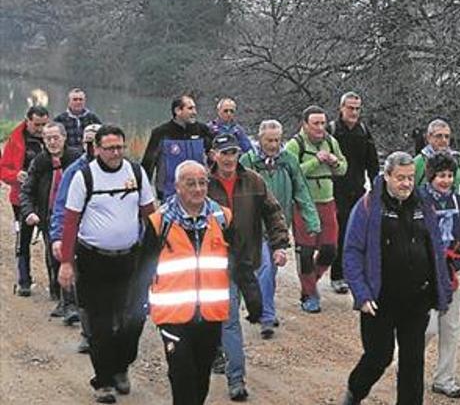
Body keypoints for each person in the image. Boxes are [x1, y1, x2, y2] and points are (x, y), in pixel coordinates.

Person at [129, 160, 263, 405]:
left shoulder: (222, 219)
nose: (198, 189)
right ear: (177, 186)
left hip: (210, 316)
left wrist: (253, 296)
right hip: (173, 316)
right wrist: (135, 308)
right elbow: (142, 269)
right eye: (191, 183)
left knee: (202, 376)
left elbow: (239, 261)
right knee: (182, 375)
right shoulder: (160, 223)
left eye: (202, 183)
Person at [341, 151, 452, 405]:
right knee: (379, 356)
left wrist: (441, 288)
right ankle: (354, 392)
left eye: (411, 178)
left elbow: (434, 246)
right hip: (380, 299)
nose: (406, 184)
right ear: (387, 176)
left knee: (413, 361)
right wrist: (362, 293)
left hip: (416, 298)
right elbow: (352, 252)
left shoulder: (423, 204)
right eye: (400, 178)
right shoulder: (368, 205)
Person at [58, 125, 156, 403]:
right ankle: (104, 382)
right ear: (97, 149)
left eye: (120, 147)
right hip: (93, 261)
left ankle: (121, 367)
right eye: (110, 148)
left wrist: (158, 254)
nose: (115, 153)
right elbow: (70, 223)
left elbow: (151, 216)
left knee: (134, 320)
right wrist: (66, 262)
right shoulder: (84, 177)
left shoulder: (136, 174)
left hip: (130, 260)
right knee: (100, 326)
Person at [207, 133, 289, 401]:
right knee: (229, 320)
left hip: (249, 260)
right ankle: (236, 379)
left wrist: (279, 245)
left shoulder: (253, 180)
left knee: (235, 316)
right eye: (224, 153)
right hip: (217, 265)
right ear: (213, 155)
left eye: (233, 152)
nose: (229, 158)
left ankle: (220, 352)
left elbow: (273, 212)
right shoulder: (203, 184)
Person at [240, 119, 320, 339]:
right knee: (265, 267)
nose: (274, 145)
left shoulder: (288, 161)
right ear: (260, 139)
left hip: (278, 225)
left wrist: (312, 221)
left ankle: (261, 307)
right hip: (254, 227)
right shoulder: (248, 161)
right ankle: (266, 317)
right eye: (269, 140)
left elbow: (301, 191)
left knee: (271, 270)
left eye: (277, 140)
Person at [419, 152, 460, 399]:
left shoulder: (458, 200)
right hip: (427, 269)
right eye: (441, 175)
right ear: (431, 176)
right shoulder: (418, 199)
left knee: (451, 327)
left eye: (450, 175)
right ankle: (408, 366)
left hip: (454, 267)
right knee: (428, 327)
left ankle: (445, 379)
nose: (446, 180)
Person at [284, 105, 348, 313]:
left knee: (330, 250)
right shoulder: (295, 145)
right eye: (316, 124)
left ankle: (310, 282)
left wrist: (334, 161)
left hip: (327, 201)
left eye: (323, 123)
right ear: (305, 125)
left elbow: (343, 168)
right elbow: (289, 172)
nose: (321, 128)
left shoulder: (331, 141)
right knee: (306, 252)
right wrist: (314, 161)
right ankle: (309, 295)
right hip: (304, 204)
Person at [20, 121, 79, 318]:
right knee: (55, 258)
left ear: (64, 138)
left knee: (76, 258)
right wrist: (29, 212)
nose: (52, 142)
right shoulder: (39, 162)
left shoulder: (76, 159)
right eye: (48, 138)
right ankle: (61, 296)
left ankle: (71, 302)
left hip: (76, 217)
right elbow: (26, 191)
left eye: (56, 138)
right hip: (49, 218)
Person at [50, 123, 101, 350]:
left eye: (95, 141)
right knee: (87, 288)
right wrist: (58, 238)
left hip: (115, 243)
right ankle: (89, 333)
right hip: (83, 239)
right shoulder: (75, 172)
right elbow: (60, 208)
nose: (91, 146)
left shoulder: (126, 170)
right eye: (87, 141)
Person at [328, 91, 379, 294]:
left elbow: (373, 164)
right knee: (337, 235)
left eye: (358, 109)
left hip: (357, 190)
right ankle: (337, 275)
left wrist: (377, 190)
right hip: (333, 191)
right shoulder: (331, 130)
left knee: (357, 234)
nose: (354, 112)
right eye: (350, 108)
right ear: (341, 108)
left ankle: (354, 275)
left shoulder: (364, 132)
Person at [0, 104, 50, 296]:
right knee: (23, 239)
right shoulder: (16, 139)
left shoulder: (54, 139)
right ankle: (24, 281)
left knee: (52, 239)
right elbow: (3, 170)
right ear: (28, 120)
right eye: (37, 124)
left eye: (44, 124)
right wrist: (16, 175)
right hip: (21, 198)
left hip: (48, 199)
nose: (40, 129)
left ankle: (56, 286)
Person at [413, 119, 460, 230]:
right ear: (429, 138)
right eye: (439, 136)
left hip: (453, 213)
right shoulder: (419, 162)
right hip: (425, 217)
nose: (443, 140)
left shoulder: (459, 160)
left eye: (447, 136)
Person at [142, 94, 214, 202]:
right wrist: (144, 197)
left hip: (198, 194)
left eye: (195, 108)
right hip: (169, 195)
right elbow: (148, 166)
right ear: (178, 111)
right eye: (190, 108)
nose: (195, 112)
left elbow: (214, 158)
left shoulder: (202, 131)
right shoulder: (161, 133)